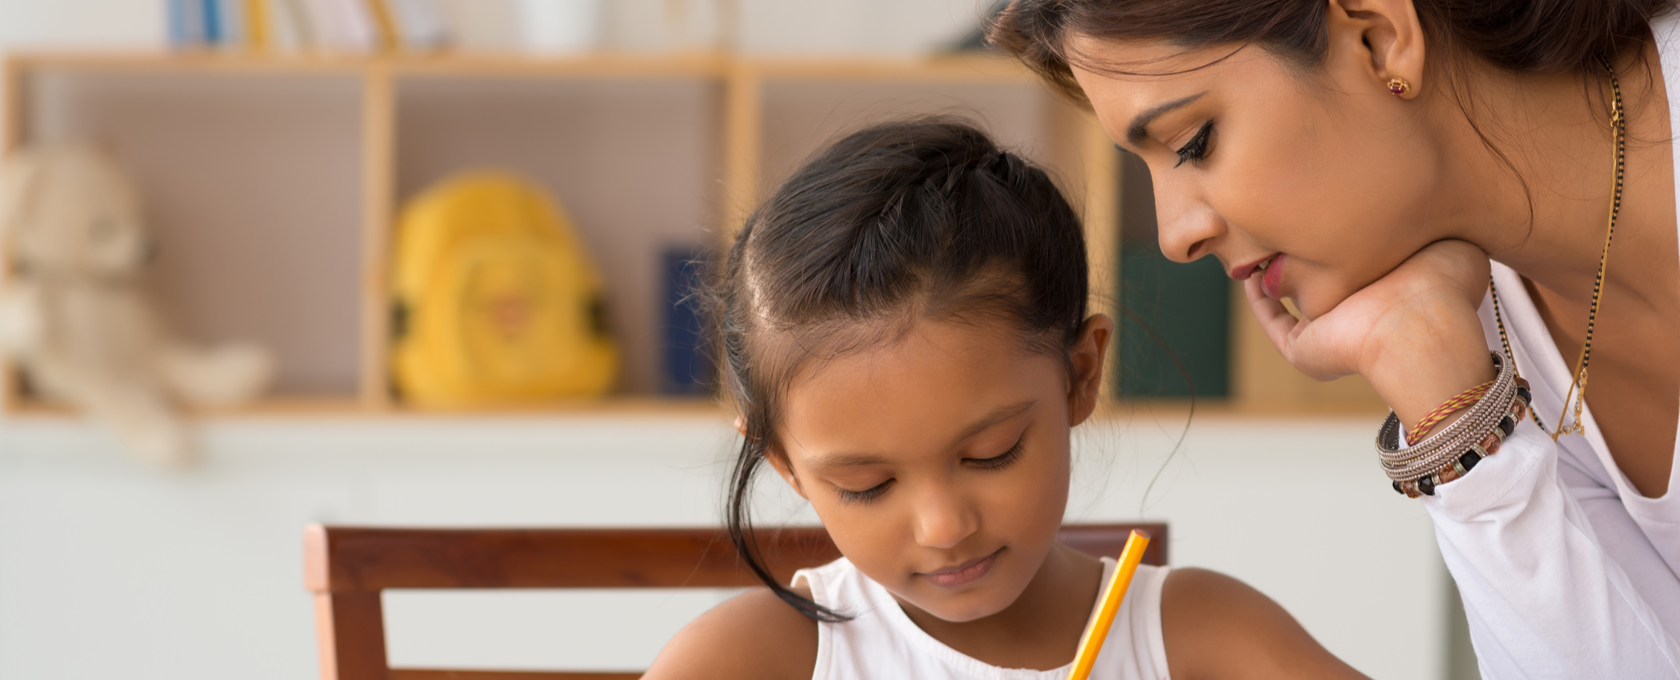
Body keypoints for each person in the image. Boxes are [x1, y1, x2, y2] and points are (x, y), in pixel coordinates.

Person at [989, 0, 1680, 677]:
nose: (1176, 236)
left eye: (1193, 142)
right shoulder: (1493, 314)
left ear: (1378, 37)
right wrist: (1454, 412)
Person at [641, 119, 1366, 679]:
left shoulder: (1200, 633)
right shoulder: (752, 659)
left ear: (1081, 375)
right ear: (786, 466)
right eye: (869, 486)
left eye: (992, 453)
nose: (944, 525)